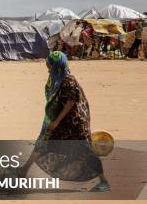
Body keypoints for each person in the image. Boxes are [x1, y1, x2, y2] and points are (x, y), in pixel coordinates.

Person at [17, 51, 110, 192]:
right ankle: (22, 173)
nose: (48, 68)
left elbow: (71, 102)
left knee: (85, 151)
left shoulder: (68, 80)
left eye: (50, 65)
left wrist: (56, 121)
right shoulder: (55, 78)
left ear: (57, 65)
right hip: (58, 121)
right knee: (42, 144)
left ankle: (104, 181)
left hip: (74, 124)